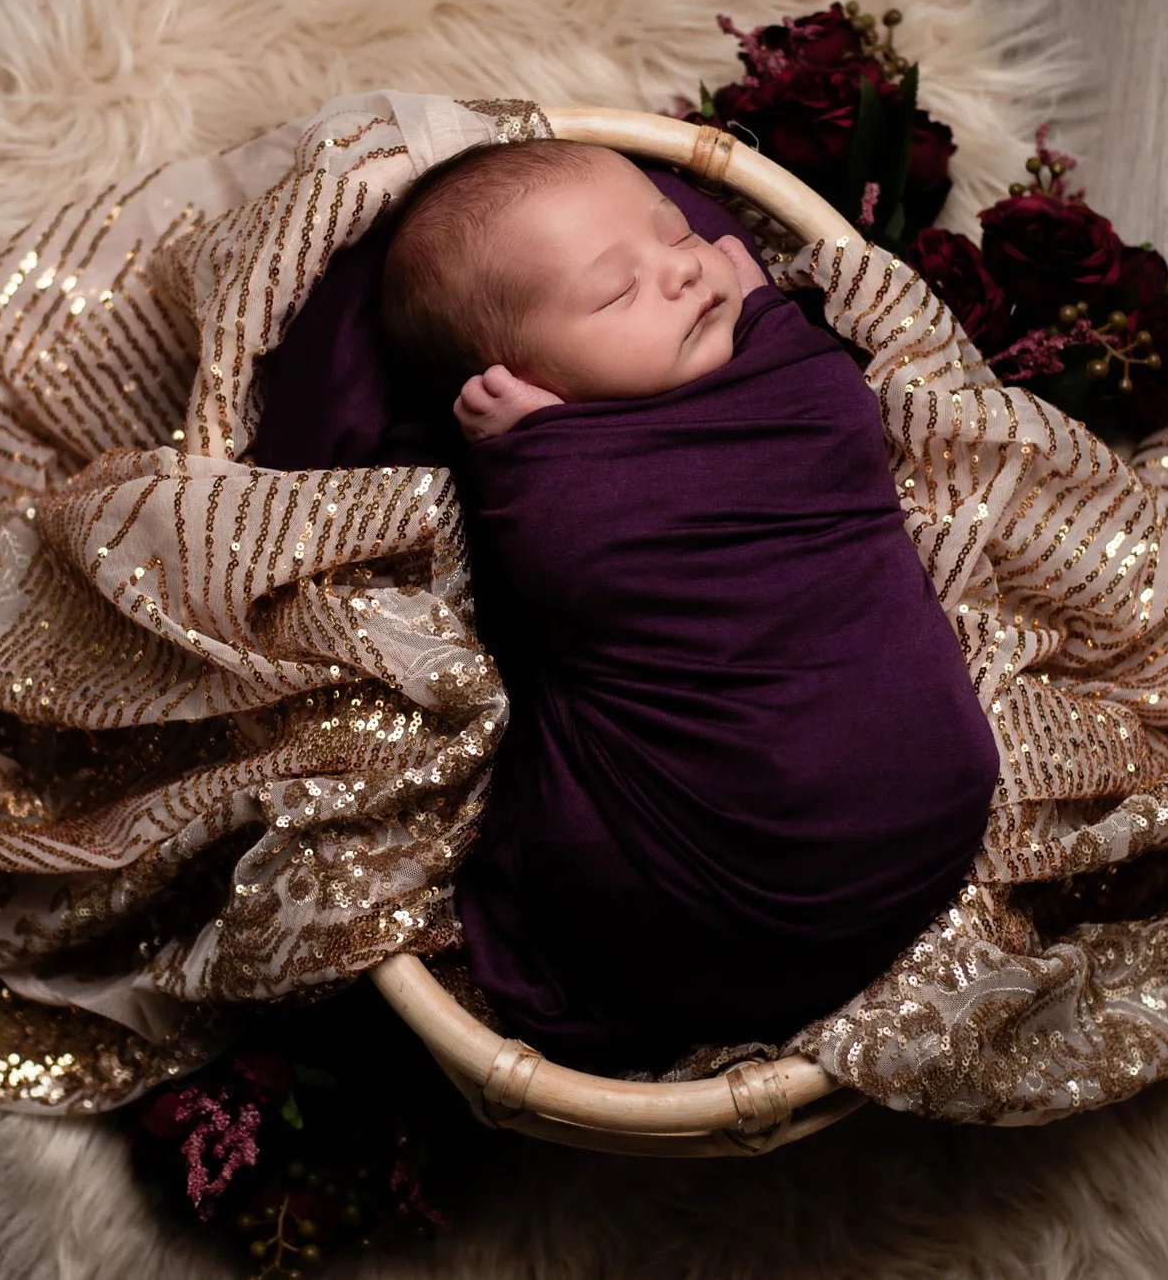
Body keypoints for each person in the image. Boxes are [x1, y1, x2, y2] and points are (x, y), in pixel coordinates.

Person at [378, 140, 1001, 1070]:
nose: (681, 268)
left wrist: (524, 450)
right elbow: (566, 561)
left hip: (863, 846)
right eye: (617, 293)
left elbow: (839, 415)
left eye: (676, 234)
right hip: (864, 835)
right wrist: (531, 453)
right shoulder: (573, 495)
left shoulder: (797, 386)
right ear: (527, 376)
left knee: (554, 737)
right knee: (569, 685)